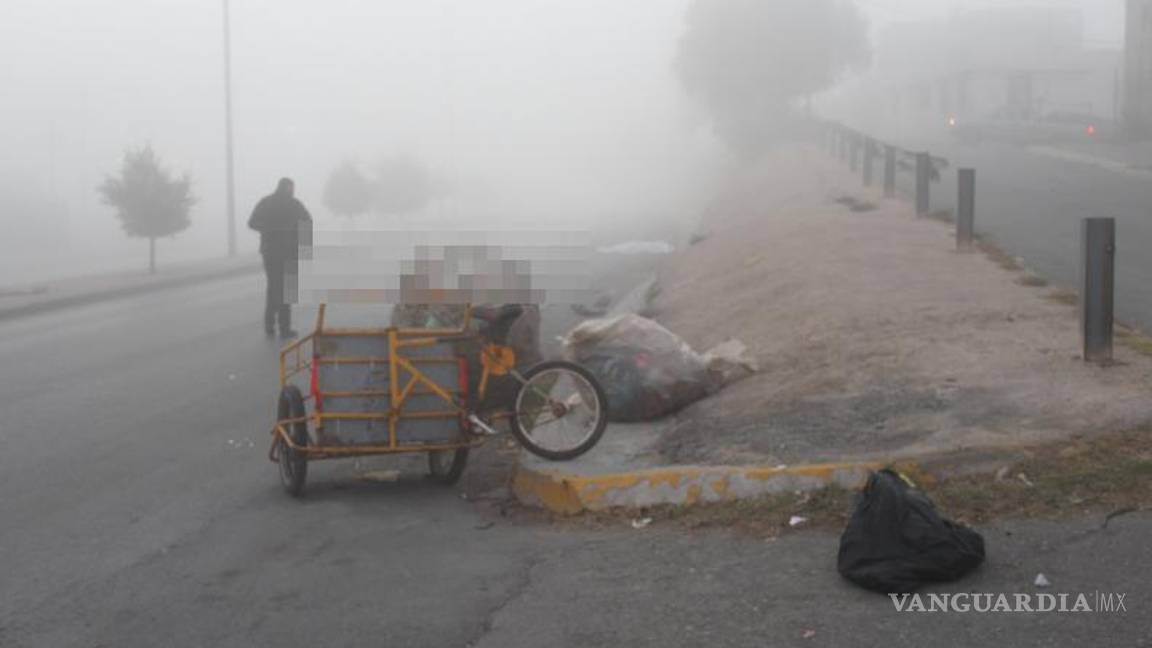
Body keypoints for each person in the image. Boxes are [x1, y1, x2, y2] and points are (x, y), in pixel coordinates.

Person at [248, 178, 312, 338]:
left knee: (279, 289)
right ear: (283, 187)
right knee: (277, 288)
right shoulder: (271, 203)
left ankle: (276, 326)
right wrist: (272, 229)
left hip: (285, 252)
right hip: (273, 252)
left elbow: (307, 222)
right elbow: (252, 222)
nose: (291, 191)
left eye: (292, 188)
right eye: (289, 188)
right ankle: (279, 326)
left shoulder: (292, 204)